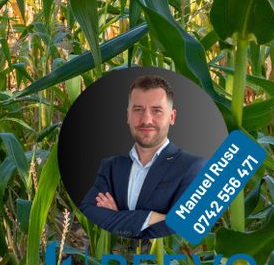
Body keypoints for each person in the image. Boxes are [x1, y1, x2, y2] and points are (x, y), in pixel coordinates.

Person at [78, 75, 205, 240]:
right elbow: (88, 210)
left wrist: (119, 217)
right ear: (128, 116)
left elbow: (180, 229)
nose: (146, 120)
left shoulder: (193, 167)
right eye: (138, 110)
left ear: (172, 117)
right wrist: (152, 217)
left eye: (156, 111)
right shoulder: (110, 167)